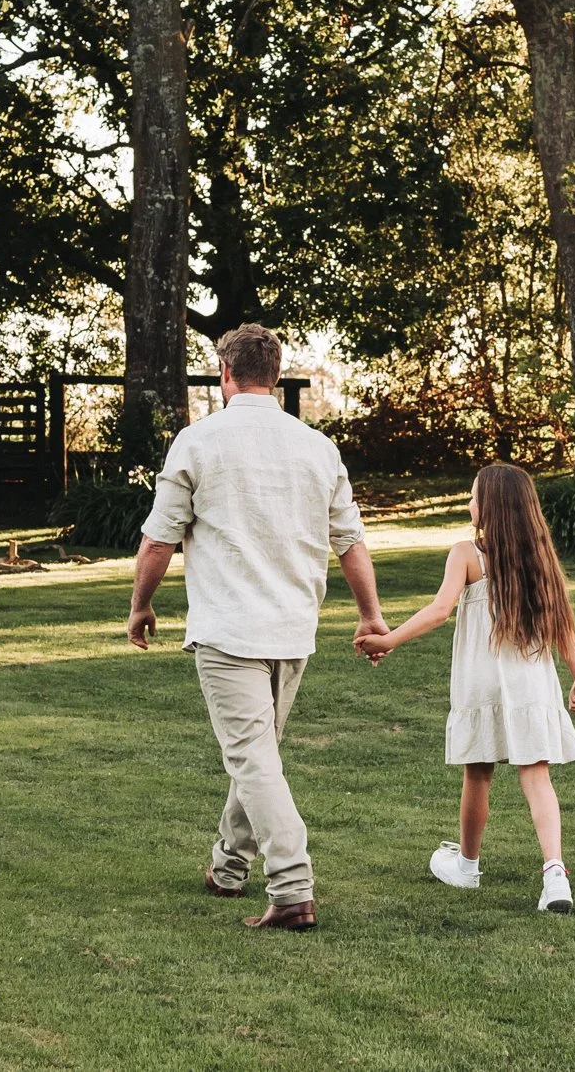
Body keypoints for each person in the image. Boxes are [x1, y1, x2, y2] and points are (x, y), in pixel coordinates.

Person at [127, 324, 388, 931]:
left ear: (225, 373)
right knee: (257, 755)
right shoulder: (317, 447)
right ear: (273, 375)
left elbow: (159, 540)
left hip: (229, 628)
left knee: (253, 759)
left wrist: (140, 605)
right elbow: (350, 541)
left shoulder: (198, 441)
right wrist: (370, 614)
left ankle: (293, 888)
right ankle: (228, 866)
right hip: (294, 627)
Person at [355, 464, 575, 913]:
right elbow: (563, 627)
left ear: (491, 508)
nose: (469, 504)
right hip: (530, 682)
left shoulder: (467, 554)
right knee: (536, 775)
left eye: (473, 497)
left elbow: (439, 610)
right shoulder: (541, 559)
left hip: (481, 681)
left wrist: (388, 640)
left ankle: (467, 867)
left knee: (478, 773)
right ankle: (555, 874)